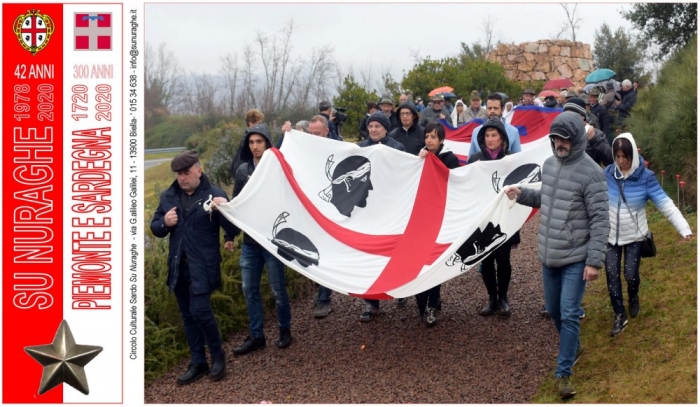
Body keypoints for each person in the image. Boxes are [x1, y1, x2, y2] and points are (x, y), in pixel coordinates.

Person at [505, 112, 609, 400]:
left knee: (569, 312)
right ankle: (573, 346)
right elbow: (547, 197)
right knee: (553, 310)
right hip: (549, 255)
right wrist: (522, 193)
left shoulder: (592, 173)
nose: (558, 143)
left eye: (564, 138)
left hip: (576, 257)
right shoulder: (549, 165)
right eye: (554, 138)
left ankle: (563, 373)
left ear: (575, 138)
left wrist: (593, 261)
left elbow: (601, 219)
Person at [150, 151, 237, 385]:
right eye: (179, 174)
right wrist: (163, 224)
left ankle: (218, 356)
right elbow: (155, 228)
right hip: (178, 268)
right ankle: (198, 362)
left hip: (203, 267)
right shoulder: (169, 196)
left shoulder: (215, 194)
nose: (182, 178)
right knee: (188, 316)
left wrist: (224, 210)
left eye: (186, 173)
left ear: (199, 170)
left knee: (200, 311)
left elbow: (233, 227)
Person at [604, 133, 692, 336]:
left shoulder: (646, 177)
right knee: (611, 274)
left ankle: (633, 296)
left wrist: (684, 228)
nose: (621, 161)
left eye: (624, 156)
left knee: (630, 275)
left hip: (636, 236)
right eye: (617, 156)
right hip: (610, 236)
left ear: (633, 154)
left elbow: (665, 204)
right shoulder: (608, 173)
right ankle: (619, 314)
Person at [230, 124, 294, 356]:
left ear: (267, 143)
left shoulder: (276, 166)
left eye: (259, 141)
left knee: (278, 288)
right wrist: (229, 234)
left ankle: (284, 329)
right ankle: (257, 335)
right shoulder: (242, 171)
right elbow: (236, 203)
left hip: (272, 240)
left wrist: (288, 133)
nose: (255, 146)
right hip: (250, 242)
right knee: (249, 288)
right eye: (251, 142)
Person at [466, 118, 520, 317]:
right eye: (487, 135)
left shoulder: (512, 159)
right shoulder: (475, 160)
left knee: (503, 259)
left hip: (506, 216)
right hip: (483, 218)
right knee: (486, 260)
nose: (490, 139)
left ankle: (504, 297)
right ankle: (492, 298)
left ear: (502, 138)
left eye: (494, 135)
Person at [357, 112, 405, 321]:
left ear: (386, 128)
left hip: (391, 209)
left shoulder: (397, 148)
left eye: (378, 126)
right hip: (367, 210)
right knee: (369, 256)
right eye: (371, 126)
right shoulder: (359, 148)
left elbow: (405, 174)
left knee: (394, 252)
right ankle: (371, 301)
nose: (374, 129)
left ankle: (400, 289)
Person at [415, 122, 459, 326]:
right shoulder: (420, 157)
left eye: (433, 137)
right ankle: (423, 301)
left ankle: (433, 304)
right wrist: (418, 161)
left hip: (442, 218)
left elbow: (456, 183)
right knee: (418, 261)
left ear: (441, 139)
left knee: (433, 263)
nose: (429, 140)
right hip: (421, 219)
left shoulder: (450, 159)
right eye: (427, 137)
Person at [307, 115, 342, 318]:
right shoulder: (305, 149)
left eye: (317, 134)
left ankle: (324, 297)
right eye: (310, 134)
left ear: (327, 132)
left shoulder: (339, 149)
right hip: (313, 208)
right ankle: (321, 289)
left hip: (333, 208)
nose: (312, 137)